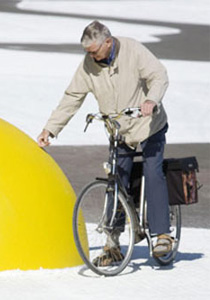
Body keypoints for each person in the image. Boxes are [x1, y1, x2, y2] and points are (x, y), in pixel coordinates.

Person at [37, 20, 174, 266]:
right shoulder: (89, 65)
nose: (90, 55)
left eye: (94, 50)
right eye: (87, 51)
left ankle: (162, 234)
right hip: (120, 130)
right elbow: (72, 97)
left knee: (153, 173)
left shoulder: (133, 50)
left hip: (148, 124)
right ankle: (113, 245)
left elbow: (158, 75)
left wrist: (152, 100)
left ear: (108, 42)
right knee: (117, 181)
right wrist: (51, 129)